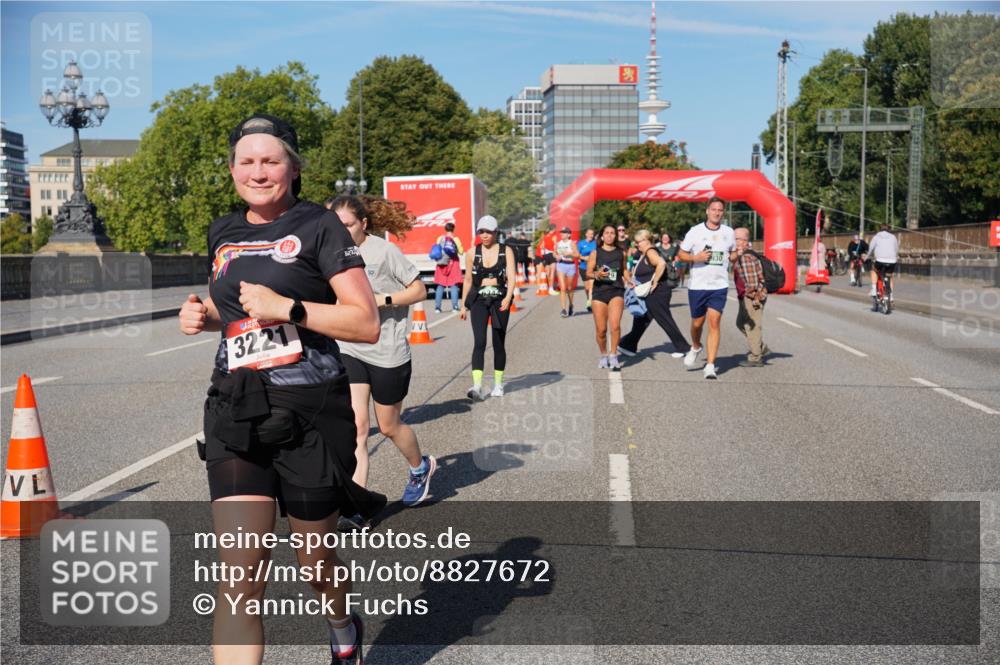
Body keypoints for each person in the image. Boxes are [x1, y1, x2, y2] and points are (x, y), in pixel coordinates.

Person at [178, 114, 382, 664]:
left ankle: (342, 622)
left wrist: (288, 307)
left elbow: (365, 323)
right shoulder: (223, 231)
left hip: (310, 413)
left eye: (271, 161)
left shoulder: (319, 226)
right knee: (240, 573)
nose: (258, 171)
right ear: (232, 170)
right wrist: (206, 318)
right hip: (237, 408)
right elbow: (243, 315)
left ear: (293, 168)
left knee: (315, 558)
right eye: (247, 161)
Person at [327, 194, 437, 531]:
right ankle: (358, 509)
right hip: (350, 347)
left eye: (347, 225)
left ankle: (420, 467)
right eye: (336, 226)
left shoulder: (383, 251)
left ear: (363, 223)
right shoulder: (329, 251)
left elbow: (419, 291)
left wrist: (382, 300)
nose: (342, 232)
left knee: (388, 426)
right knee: (358, 428)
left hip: (388, 350)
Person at [677, 196, 737, 380]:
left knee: (714, 322)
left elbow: (733, 253)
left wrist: (734, 256)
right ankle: (695, 346)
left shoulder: (729, 232)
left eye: (720, 210)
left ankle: (710, 365)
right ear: (707, 211)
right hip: (698, 285)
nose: (717, 213)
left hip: (719, 285)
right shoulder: (695, 232)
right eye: (714, 209)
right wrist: (697, 258)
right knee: (697, 323)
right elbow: (681, 254)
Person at [461, 215, 517, 400]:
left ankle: (498, 384)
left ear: (495, 232)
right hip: (478, 300)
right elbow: (468, 280)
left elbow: (511, 276)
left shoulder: (505, 250)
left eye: (488, 232)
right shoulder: (471, 253)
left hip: (500, 299)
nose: (484, 235)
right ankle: (477, 385)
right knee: (479, 342)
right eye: (481, 232)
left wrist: (508, 298)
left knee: (498, 342)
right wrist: (463, 305)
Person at [618, 229, 691, 360]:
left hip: (658, 292)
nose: (636, 244)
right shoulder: (644, 252)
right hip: (651, 292)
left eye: (638, 242)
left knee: (664, 319)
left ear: (646, 241)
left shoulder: (650, 252)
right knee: (641, 319)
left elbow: (661, 264)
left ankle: (683, 347)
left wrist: (655, 281)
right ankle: (628, 345)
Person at [586, 224, 629, 370]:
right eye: (607, 233)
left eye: (612, 233)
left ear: (615, 236)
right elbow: (588, 272)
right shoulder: (595, 253)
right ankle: (604, 354)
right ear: (602, 236)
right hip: (599, 293)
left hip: (616, 290)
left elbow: (624, 270)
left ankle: (613, 354)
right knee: (601, 330)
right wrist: (596, 274)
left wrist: (629, 280)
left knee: (615, 325)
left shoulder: (621, 252)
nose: (610, 235)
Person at [732, 227, 769, 367]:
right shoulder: (741, 255)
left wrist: (754, 298)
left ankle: (755, 357)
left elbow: (752, 282)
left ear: (743, 241)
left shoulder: (747, 257)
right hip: (744, 296)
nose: (733, 241)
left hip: (752, 296)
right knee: (740, 323)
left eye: (735, 238)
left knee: (752, 326)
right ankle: (760, 347)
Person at [433, 222, 464, 313]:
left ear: (445, 229)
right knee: (453, 285)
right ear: (453, 229)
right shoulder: (455, 239)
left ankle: (437, 308)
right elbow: (461, 252)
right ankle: (455, 307)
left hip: (441, 264)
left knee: (440, 285)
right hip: (453, 263)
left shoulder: (440, 238)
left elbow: (437, 250)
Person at [867, 223, 899, 308]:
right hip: (892, 261)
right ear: (889, 229)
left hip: (880, 261)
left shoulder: (876, 237)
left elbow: (870, 249)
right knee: (890, 276)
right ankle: (891, 297)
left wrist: (867, 257)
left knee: (874, 271)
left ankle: (874, 290)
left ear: (880, 229)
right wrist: (893, 256)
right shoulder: (893, 237)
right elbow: (896, 249)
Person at [554, 226, 580, 317]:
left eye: (564, 232)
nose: (562, 234)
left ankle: (571, 305)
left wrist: (569, 253)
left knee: (570, 288)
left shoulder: (572, 243)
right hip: (561, 265)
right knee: (563, 288)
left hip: (571, 266)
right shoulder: (558, 244)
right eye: (561, 232)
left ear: (569, 234)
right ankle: (563, 309)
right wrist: (556, 256)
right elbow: (555, 253)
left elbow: (577, 255)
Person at [577, 227, 597, 311]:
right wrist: (584, 258)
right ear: (586, 234)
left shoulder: (595, 243)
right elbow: (577, 255)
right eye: (589, 234)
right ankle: (588, 299)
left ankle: (590, 302)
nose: (591, 235)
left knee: (592, 286)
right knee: (587, 288)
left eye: (592, 234)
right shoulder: (581, 243)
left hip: (593, 267)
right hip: (583, 267)